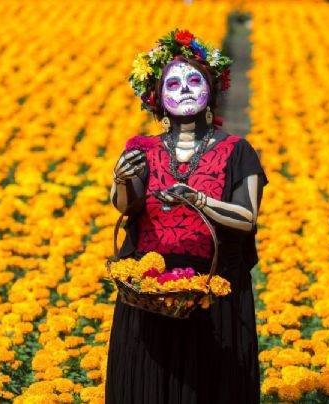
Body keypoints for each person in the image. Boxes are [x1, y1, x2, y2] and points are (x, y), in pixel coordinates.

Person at [105, 28, 268, 404]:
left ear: (211, 89)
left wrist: (200, 199)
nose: (184, 90)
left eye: (194, 81)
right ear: (157, 98)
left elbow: (247, 217)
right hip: (149, 291)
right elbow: (127, 206)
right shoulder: (141, 148)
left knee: (210, 386)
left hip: (214, 290)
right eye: (173, 84)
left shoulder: (237, 150)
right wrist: (122, 180)